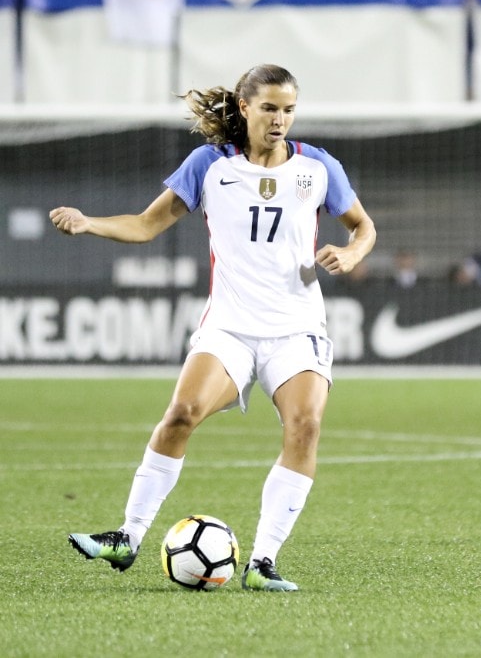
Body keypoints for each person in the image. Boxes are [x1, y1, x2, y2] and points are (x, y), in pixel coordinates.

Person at [49, 64, 376, 591]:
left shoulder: (317, 168)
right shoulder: (209, 164)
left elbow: (363, 226)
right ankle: (127, 538)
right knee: (181, 414)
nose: (280, 120)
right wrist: (91, 224)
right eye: (269, 108)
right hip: (229, 326)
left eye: (288, 109)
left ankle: (263, 561)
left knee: (305, 426)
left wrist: (353, 251)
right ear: (245, 108)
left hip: (297, 329)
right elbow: (146, 224)